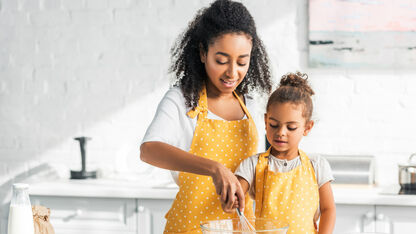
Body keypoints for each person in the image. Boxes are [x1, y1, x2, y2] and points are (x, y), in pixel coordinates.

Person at [139, 0, 273, 232]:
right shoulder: (181, 100)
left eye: (242, 62)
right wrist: (214, 169)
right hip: (190, 227)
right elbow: (149, 150)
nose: (233, 72)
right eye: (221, 61)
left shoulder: (250, 105)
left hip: (239, 227)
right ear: (203, 52)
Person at [233, 72, 336, 234]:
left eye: (291, 127)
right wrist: (232, 197)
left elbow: (328, 209)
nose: (281, 132)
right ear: (266, 121)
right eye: (274, 124)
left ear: (307, 128)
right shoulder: (252, 164)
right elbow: (235, 193)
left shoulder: (316, 165)